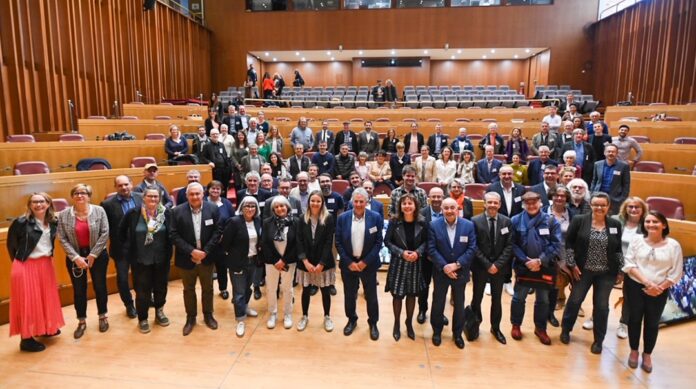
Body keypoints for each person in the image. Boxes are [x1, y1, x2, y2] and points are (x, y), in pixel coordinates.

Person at [559, 192, 624, 354]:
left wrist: (621, 270)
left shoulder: (615, 224)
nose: (599, 207)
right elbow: (569, 244)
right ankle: (566, 330)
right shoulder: (579, 221)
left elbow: (617, 250)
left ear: (608, 206)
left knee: (602, 307)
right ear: (591, 205)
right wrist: (572, 265)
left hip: (606, 273)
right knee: (575, 301)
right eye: (596, 204)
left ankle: (598, 340)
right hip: (582, 270)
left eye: (603, 205)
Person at [622, 211, 683, 373]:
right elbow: (629, 264)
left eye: (655, 222)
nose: (651, 225)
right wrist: (648, 283)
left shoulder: (673, 245)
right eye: (648, 222)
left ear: (664, 225)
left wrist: (659, 288)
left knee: (652, 322)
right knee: (634, 319)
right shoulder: (637, 240)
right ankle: (634, 351)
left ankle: (647, 354)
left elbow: (676, 272)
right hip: (635, 285)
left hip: (659, 290)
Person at [8, 193, 64, 352]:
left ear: (48, 204)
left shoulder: (53, 221)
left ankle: (45, 328)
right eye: (34, 202)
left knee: (45, 298)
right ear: (29, 205)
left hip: (45, 264)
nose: (38, 205)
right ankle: (26, 339)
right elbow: (11, 246)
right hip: (25, 265)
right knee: (28, 301)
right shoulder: (20, 222)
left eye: (41, 201)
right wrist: (20, 264)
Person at [57, 184, 110, 339]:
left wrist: (93, 254)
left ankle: (103, 316)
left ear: (89, 196)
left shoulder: (99, 211)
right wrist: (76, 257)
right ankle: (81, 321)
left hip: (98, 255)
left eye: (83, 193)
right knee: (79, 290)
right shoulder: (64, 214)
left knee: (100, 286)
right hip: (76, 256)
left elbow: (105, 233)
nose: (80, 195)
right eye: (76, 193)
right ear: (72, 196)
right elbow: (62, 238)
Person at [509, 191, 562, 345]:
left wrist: (540, 260)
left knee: (543, 300)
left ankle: (540, 328)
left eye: (534, 202)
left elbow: (556, 245)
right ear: (524, 204)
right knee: (519, 298)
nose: (531, 205)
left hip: (544, 267)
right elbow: (512, 244)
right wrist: (526, 260)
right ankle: (516, 325)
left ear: (540, 202)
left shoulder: (551, 221)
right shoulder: (516, 220)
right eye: (528, 203)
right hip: (523, 266)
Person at [118, 187, 172, 334]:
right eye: (150, 196)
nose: (153, 199)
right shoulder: (133, 213)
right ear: (143, 197)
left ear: (159, 198)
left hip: (161, 260)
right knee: (142, 291)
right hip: (140, 260)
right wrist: (127, 252)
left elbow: (172, 233)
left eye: (156, 197)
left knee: (161, 288)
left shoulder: (166, 214)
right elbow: (121, 233)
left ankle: (159, 312)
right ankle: (143, 318)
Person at [170, 182, 221, 336]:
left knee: (208, 288)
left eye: (197, 194)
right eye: (191, 194)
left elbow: (218, 231)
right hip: (187, 259)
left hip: (207, 257)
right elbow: (173, 235)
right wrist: (192, 251)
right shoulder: (177, 212)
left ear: (203, 194)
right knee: (188, 290)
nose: (194, 197)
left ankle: (208, 315)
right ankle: (191, 318)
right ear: (186, 196)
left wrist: (204, 252)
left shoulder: (213, 209)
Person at [428, 198, 477, 349]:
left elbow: (472, 248)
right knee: (438, 303)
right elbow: (431, 249)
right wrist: (445, 267)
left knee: (459, 304)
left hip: (460, 272)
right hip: (441, 273)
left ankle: (457, 334)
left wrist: (456, 265)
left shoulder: (468, 225)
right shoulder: (433, 225)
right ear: (441, 209)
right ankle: (437, 331)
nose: (449, 210)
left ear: (458, 209)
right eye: (446, 208)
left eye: (452, 208)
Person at [335, 188, 384, 340]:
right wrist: (349, 262)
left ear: (366, 201)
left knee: (371, 295)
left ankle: (373, 323)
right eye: (355, 201)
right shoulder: (342, 218)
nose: (358, 204)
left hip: (368, 264)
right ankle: (351, 319)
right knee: (349, 295)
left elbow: (378, 242)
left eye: (361, 201)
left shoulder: (375, 217)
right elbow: (338, 242)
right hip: (348, 265)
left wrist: (364, 262)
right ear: (351, 202)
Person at [469, 192, 512, 345]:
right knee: (477, 298)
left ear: (499, 204)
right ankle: (474, 326)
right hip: (480, 267)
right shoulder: (474, 221)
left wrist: (497, 265)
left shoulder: (507, 222)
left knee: (497, 299)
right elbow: (473, 246)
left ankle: (496, 327)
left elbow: (509, 246)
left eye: (496, 202)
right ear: (484, 204)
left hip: (499, 269)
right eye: (490, 202)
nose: (493, 205)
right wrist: (488, 265)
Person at [385, 193, 428, 341]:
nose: (407, 206)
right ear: (400, 206)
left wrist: (418, 253)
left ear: (415, 206)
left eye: (410, 203)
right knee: (397, 295)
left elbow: (427, 242)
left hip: (416, 263)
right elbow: (387, 242)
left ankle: (408, 323)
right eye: (404, 204)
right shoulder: (394, 221)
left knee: (411, 294)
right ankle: (396, 323)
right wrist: (401, 253)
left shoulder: (422, 222)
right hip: (399, 263)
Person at [101, 176, 142, 318]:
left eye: (126, 184)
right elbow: (105, 228)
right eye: (120, 185)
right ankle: (129, 305)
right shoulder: (107, 204)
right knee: (123, 279)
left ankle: (142, 300)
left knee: (140, 277)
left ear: (131, 184)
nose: (124, 188)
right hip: (120, 249)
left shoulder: (141, 198)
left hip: (140, 247)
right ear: (115, 187)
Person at [220, 196, 262, 337]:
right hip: (237, 263)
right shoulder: (234, 222)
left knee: (247, 288)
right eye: (247, 206)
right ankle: (240, 320)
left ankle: (245, 307)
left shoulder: (257, 221)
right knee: (239, 293)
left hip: (252, 261)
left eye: (252, 206)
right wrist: (232, 258)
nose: (250, 209)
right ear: (241, 208)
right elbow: (225, 244)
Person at [295, 191, 337, 332]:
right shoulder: (302, 218)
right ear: (308, 202)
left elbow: (328, 242)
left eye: (318, 201)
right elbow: (299, 241)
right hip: (306, 261)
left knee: (325, 291)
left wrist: (321, 263)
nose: (315, 203)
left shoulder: (329, 218)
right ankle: (304, 316)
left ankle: (327, 317)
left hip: (323, 261)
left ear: (322, 203)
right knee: (306, 290)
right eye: (312, 201)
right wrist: (305, 261)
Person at [261, 196, 300, 330]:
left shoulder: (296, 222)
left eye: (282, 206)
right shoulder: (267, 222)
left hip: (289, 261)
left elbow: (297, 245)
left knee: (287, 289)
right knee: (271, 288)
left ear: (287, 207)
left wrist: (283, 260)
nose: (279, 209)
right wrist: (276, 260)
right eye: (276, 207)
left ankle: (288, 314)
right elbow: (265, 243)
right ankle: (273, 313)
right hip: (272, 262)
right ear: (273, 209)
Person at [612, 197, 648, 339]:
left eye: (637, 207)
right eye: (630, 207)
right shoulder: (615, 220)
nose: (633, 209)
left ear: (642, 210)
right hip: (613, 263)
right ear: (625, 208)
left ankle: (623, 323)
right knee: (602, 293)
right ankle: (597, 318)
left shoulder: (646, 225)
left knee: (628, 297)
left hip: (634, 266)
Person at [544, 185, 573, 327]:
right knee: (544, 286)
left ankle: (550, 313)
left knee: (556, 285)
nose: (559, 198)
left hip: (562, 255)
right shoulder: (544, 211)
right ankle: (541, 314)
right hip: (545, 254)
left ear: (567, 198)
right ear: (552, 196)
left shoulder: (571, 214)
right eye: (556, 195)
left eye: (563, 196)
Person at [417, 186, 444, 324]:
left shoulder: (449, 212)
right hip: (426, 258)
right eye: (433, 196)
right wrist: (427, 253)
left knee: (441, 288)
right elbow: (420, 237)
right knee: (424, 285)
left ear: (443, 198)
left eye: (439, 197)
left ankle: (439, 312)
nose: (436, 199)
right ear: (429, 198)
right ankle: (422, 310)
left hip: (443, 258)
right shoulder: (421, 214)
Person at [205, 181, 236, 300]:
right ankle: (208, 291)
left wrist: (226, 236)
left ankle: (223, 289)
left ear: (221, 191)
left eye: (218, 189)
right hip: (207, 242)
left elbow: (232, 220)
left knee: (222, 267)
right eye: (213, 188)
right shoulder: (203, 202)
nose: (215, 191)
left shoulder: (226, 203)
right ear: (208, 190)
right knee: (207, 269)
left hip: (222, 242)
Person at [590, 144, 631, 215]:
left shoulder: (624, 166)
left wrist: (622, 199)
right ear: (604, 153)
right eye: (608, 151)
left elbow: (626, 184)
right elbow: (594, 180)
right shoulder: (597, 164)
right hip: (598, 196)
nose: (610, 153)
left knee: (612, 219)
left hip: (615, 199)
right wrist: (592, 193)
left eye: (613, 152)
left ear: (617, 153)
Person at [201, 129, 234, 194]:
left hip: (225, 169)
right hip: (215, 170)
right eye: (213, 134)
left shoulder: (221, 144)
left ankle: (224, 199)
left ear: (219, 135)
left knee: (225, 186)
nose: (215, 135)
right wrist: (209, 162)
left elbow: (224, 155)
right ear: (210, 135)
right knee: (217, 186)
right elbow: (202, 157)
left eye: (216, 134)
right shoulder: (206, 145)